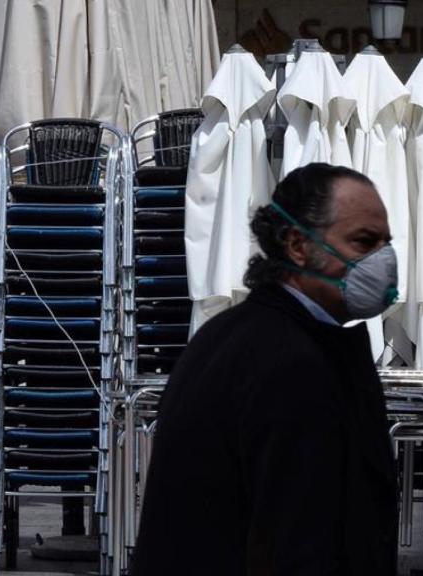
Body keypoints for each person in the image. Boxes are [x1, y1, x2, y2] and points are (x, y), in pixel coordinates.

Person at [131, 163, 399, 575]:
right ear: (297, 245)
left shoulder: (230, 334)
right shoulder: (293, 364)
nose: (383, 261)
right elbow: (297, 538)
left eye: (385, 244)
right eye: (364, 242)